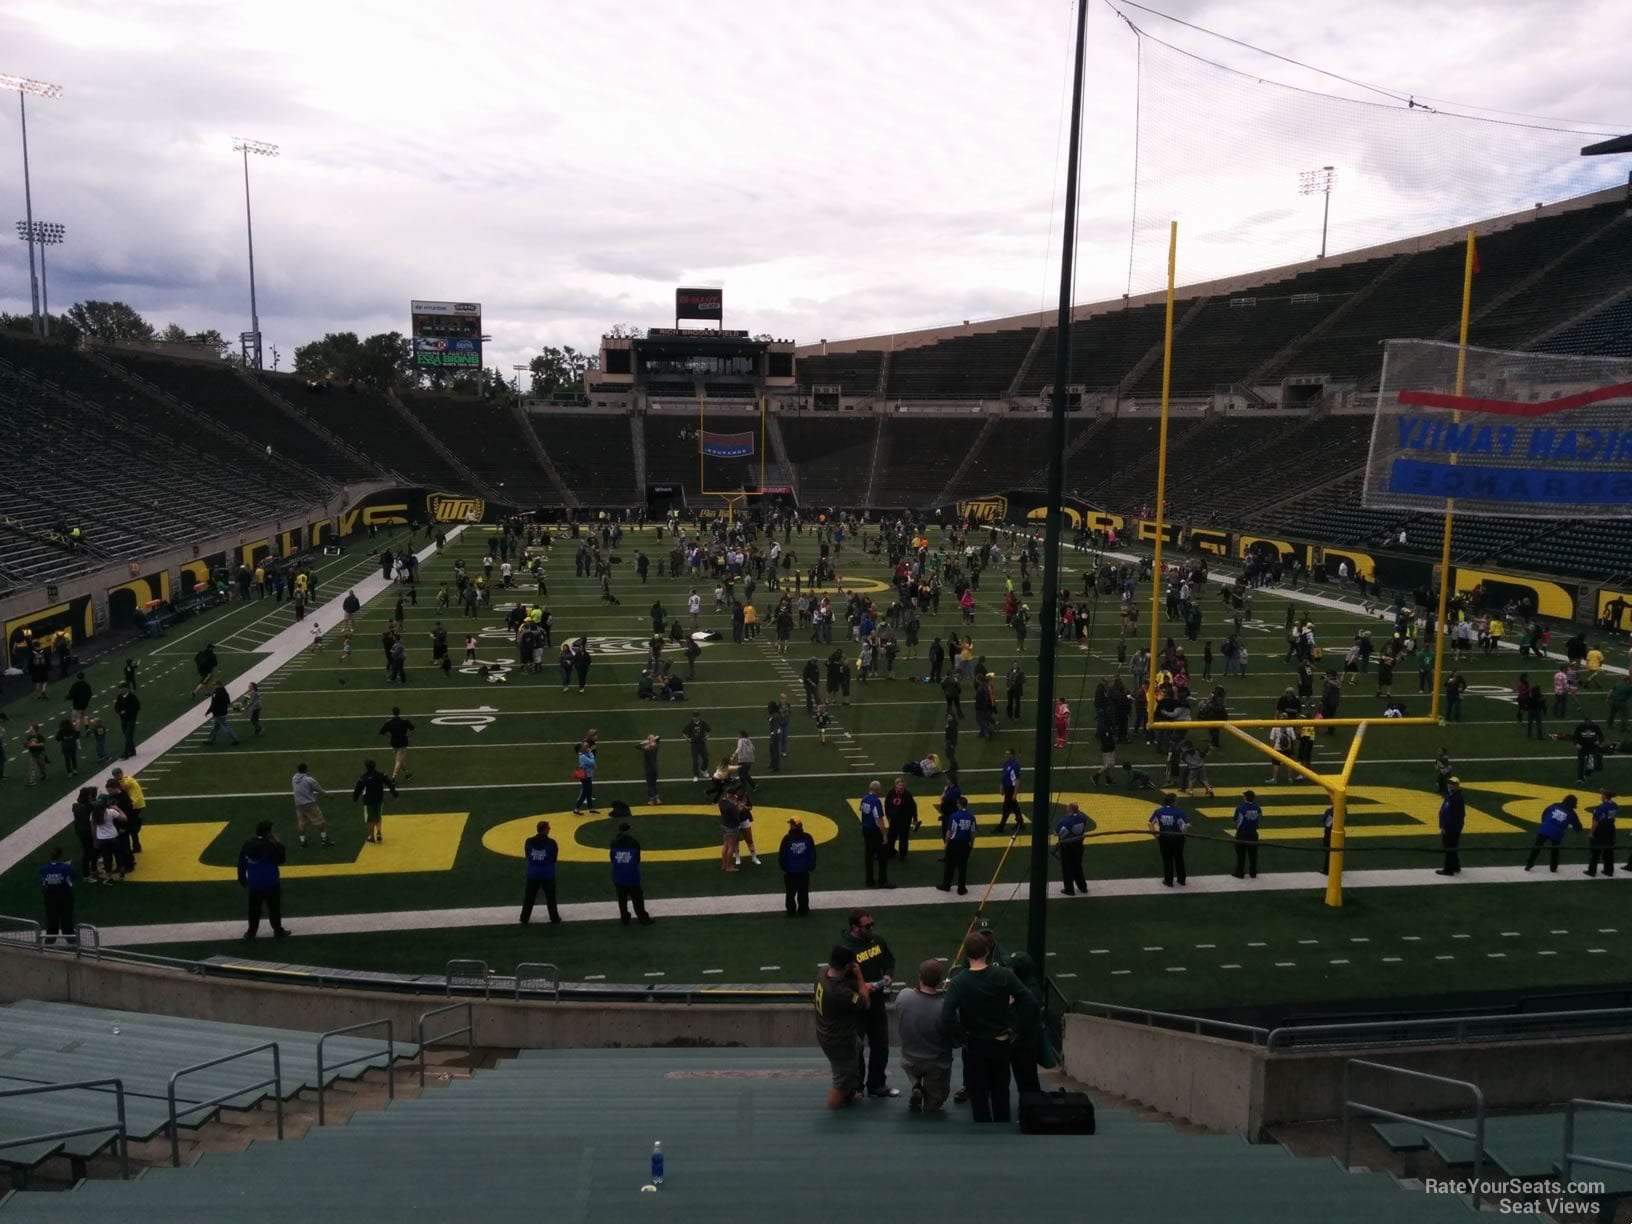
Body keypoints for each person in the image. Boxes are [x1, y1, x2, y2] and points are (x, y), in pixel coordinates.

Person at [940, 930, 1024, 1124]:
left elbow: (946, 1016)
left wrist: (961, 1036)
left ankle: (983, 1132)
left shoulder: (959, 982)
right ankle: (1002, 1127)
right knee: (1001, 1092)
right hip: (1000, 1042)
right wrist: (1016, 1028)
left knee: (978, 1095)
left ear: (966, 954)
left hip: (974, 1044)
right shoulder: (1003, 974)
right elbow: (1028, 1001)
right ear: (987, 950)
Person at [838, 908, 898, 1097]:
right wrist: (862, 986)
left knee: (881, 1045)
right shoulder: (845, 949)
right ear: (855, 928)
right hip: (856, 1005)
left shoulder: (877, 941)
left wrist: (888, 974)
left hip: (877, 1001)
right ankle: (856, 1086)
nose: (871, 928)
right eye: (867, 926)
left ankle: (877, 1084)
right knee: (856, 1047)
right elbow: (839, 979)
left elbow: (889, 959)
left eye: (872, 924)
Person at [814, 946, 872, 1110]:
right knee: (840, 1080)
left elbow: (845, 986)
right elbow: (864, 1003)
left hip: (827, 1032)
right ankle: (836, 1112)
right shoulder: (839, 993)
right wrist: (861, 980)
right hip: (838, 1040)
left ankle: (849, 1089)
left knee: (858, 1046)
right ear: (847, 966)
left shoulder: (822, 973)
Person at [895, 960, 953, 1114]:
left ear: (920, 976)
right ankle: (929, 1101)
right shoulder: (944, 1007)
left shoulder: (903, 996)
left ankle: (916, 1085)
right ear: (940, 980)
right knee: (934, 1105)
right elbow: (955, 1038)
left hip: (910, 1060)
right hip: (936, 1064)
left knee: (911, 1068)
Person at [237, 821, 290, 939]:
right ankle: (278, 930)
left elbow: (241, 863)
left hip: (255, 883)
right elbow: (281, 860)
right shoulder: (273, 845)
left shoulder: (247, 844)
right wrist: (277, 842)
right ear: (268, 833)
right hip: (271, 882)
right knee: (274, 908)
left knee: (254, 910)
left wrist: (242, 879)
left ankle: (251, 932)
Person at [610, 822, 654, 924]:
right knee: (637, 898)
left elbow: (612, 859)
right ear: (628, 831)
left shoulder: (613, 843)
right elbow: (637, 859)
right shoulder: (634, 843)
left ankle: (624, 918)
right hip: (632, 875)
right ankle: (643, 918)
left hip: (618, 875)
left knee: (622, 899)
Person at [1525, 794, 1581, 873]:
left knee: (1536, 847)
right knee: (1555, 850)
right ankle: (1553, 868)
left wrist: (1545, 823)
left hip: (1544, 829)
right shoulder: (1572, 813)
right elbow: (1578, 827)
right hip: (1557, 833)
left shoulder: (1554, 805)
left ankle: (1529, 865)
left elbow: (1544, 814)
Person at [521, 820, 561, 924]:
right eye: (548, 827)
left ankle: (524, 917)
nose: (549, 829)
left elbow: (527, 855)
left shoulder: (529, 841)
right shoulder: (552, 843)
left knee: (529, 897)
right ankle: (554, 918)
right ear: (544, 829)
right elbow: (554, 858)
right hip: (547, 874)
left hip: (533, 873)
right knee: (550, 898)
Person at [352, 758, 397, 844]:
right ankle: (379, 832)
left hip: (368, 800)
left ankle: (371, 836)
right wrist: (395, 794)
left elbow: (358, 789)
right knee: (378, 816)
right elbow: (389, 784)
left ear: (366, 767)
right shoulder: (381, 775)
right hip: (379, 798)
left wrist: (355, 798)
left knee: (370, 819)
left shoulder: (363, 778)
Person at [1149, 793, 1189, 887]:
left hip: (1164, 838)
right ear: (1173, 802)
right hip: (1177, 838)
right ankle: (1181, 880)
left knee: (1167, 859)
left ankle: (1168, 881)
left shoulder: (1158, 811)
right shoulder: (1179, 812)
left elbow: (1150, 824)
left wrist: (1156, 835)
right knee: (1179, 858)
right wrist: (1183, 833)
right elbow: (1186, 825)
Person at [779, 816, 816, 916]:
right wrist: (811, 866)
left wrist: (784, 867)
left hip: (790, 871)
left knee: (790, 893)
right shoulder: (808, 837)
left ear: (794, 826)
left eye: (791, 824)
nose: (790, 826)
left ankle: (791, 911)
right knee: (803, 892)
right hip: (803, 871)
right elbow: (812, 853)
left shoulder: (787, 838)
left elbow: (782, 854)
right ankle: (803, 910)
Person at [939, 797, 977, 895]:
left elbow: (949, 832)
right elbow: (972, 833)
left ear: (959, 804)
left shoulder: (954, 816)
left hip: (954, 843)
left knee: (949, 866)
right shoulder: (971, 817)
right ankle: (961, 889)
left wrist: (946, 843)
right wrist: (971, 845)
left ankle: (946, 885)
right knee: (962, 867)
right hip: (964, 845)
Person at [39, 846, 76, 945]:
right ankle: (70, 937)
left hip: (50, 896)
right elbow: (71, 882)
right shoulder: (67, 867)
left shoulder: (43, 868)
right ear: (60, 856)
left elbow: (43, 882)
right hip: (65, 895)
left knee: (51, 917)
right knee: (67, 916)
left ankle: (50, 938)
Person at [291, 762, 333, 848]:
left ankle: (302, 842)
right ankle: (324, 839)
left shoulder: (294, 778)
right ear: (306, 770)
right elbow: (319, 790)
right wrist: (329, 796)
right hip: (309, 804)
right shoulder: (309, 780)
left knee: (301, 823)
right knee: (320, 821)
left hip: (298, 804)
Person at [860, 780, 891, 888]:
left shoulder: (864, 799)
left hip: (866, 829)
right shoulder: (876, 801)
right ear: (877, 789)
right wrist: (884, 835)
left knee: (869, 856)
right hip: (874, 831)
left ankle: (869, 880)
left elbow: (862, 810)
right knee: (882, 856)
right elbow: (879, 820)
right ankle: (882, 881)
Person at [1055, 800, 1088, 896]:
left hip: (1067, 847)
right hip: (1079, 846)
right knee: (1077, 866)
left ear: (1070, 809)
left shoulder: (1065, 820)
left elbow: (1057, 832)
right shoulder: (1082, 817)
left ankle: (1069, 889)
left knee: (1067, 868)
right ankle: (1083, 887)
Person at [1436, 776, 1465, 876]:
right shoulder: (1452, 796)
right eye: (1449, 783)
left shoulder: (1456, 798)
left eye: (1452, 784)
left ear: (1457, 785)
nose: (1450, 785)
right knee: (1452, 848)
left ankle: (1448, 870)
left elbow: (1452, 816)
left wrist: (1445, 827)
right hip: (1452, 828)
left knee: (1449, 848)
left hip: (1451, 829)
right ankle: (1456, 866)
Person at [1232, 789, 1263, 880]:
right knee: (1253, 854)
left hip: (1242, 834)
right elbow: (1259, 820)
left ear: (1245, 797)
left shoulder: (1240, 808)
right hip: (1253, 834)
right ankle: (1253, 872)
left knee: (1241, 855)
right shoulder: (1258, 808)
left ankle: (1240, 872)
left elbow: (1235, 821)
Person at [885, 777, 918, 860]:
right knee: (891, 837)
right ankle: (890, 852)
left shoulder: (908, 795)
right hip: (894, 820)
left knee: (903, 838)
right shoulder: (891, 793)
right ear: (895, 785)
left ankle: (902, 854)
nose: (901, 787)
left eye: (902, 785)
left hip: (905, 821)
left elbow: (913, 807)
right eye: (899, 785)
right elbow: (887, 805)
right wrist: (888, 816)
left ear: (904, 786)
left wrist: (915, 819)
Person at [380, 708, 416, 780]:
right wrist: (407, 735)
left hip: (394, 742)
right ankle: (393, 777)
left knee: (399, 759)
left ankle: (407, 774)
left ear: (393, 713)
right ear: (399, 713)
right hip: (403, 742)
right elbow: (413, 729)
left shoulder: (389, 722)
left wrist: (390, 736)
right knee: (398, 760)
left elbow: (382, 732)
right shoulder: (404, 721)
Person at [1588, 790, 1617, 877]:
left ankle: (1592, 871)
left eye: (1602, 795)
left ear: (1604, 796)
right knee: (1609, 851)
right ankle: (1609, 871)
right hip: (1610, 829)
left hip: (1600, 831)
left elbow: (1595, 822)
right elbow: (1612, 818)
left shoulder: (1600, 808)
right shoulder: (1614, 805)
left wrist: (1591, 833)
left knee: (1595, 852)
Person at [997, 749, 1024, 833]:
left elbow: (1017, 780)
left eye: (1008, 754)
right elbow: (1003, 776)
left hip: (1011, 789)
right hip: (1007, 788)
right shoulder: (1005, 764)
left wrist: (1015, 793)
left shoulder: (1015, 765)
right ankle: (1021, 823)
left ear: (1012, 755)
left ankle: (1001, 827)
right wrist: (1002, 787)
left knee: (1006, 808)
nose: (1006, 755)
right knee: (1015, 807)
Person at [205, 681, 240, 746]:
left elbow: (213, 704)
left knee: (226, 727)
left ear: (218, 685)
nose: (213, 686)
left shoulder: (216, 693)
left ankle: (236, 739)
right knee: (215, 727)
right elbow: (228, 701)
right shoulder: (224, 691)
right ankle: (210, 739)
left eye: (214, 685)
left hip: (218, 713)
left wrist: (208, 711)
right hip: (223, 711)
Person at [113, 682, 140, 759]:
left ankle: (126, 753)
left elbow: (137, 707)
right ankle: (132, 751)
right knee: (127, 736)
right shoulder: (119, 697)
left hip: (131, 719)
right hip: (123, 719)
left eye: (121, 688)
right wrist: (119, 711)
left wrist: (126, 711)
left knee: (128, 735)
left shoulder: (132, 697)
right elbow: (116, 707)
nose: (120, 690)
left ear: (126, 688)